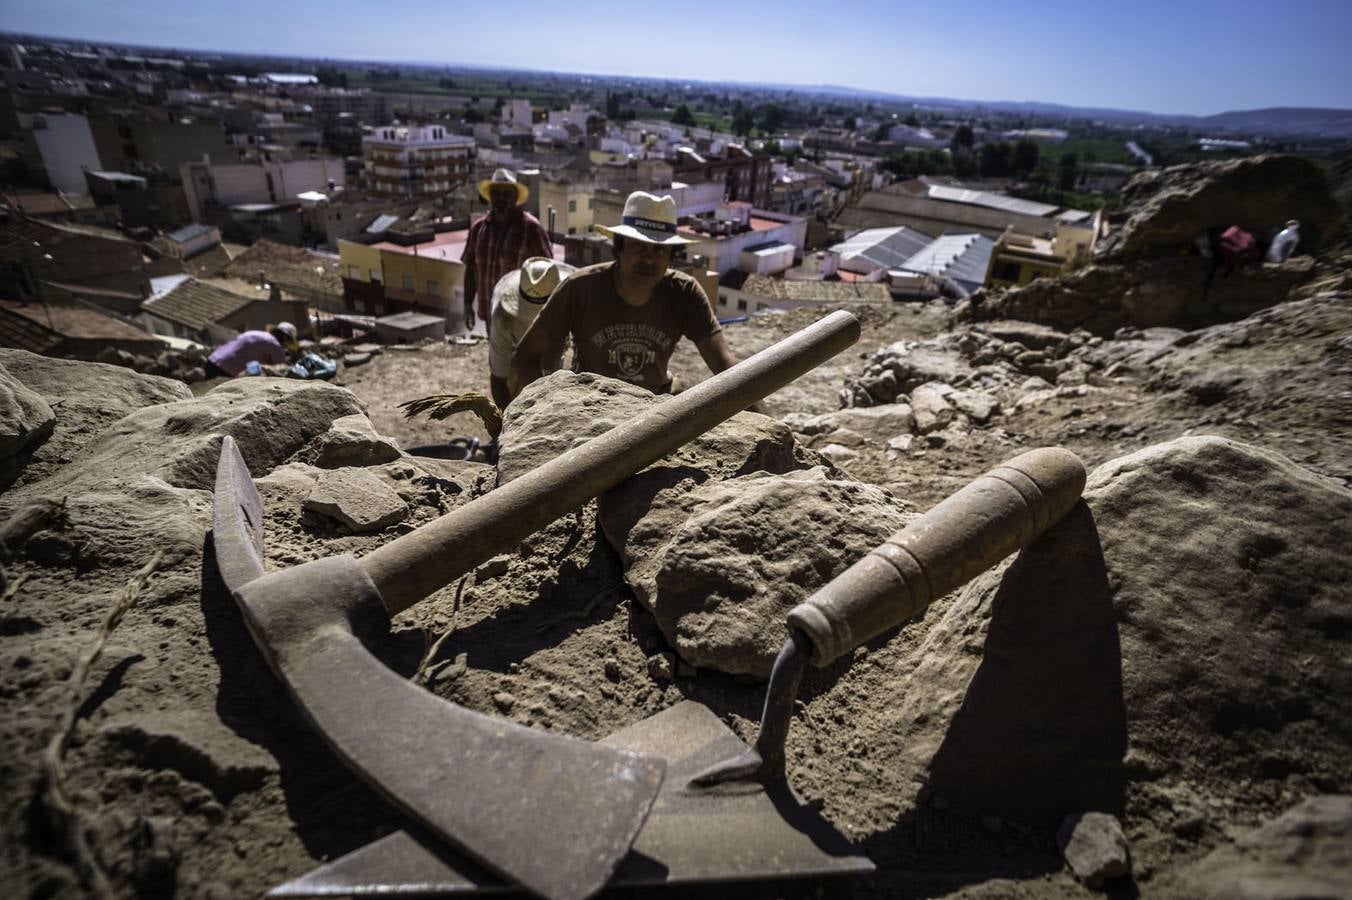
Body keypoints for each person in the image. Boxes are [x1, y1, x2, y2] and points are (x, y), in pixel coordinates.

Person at [511, 190, 766, 413]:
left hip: (653, 408)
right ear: (619, 247)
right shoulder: (580, 289)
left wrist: (771, 428)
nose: (649, 260)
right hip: (588, 406)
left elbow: (724, 363)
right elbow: (525, 358)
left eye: (659, 250)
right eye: (638, 246)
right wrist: (551, 410)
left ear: (670, 257)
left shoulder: (685, 294)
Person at [461, 168, 552, 337]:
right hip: (490, 314)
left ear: (516, 198)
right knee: (496, 362)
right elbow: (471, 269)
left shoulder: (531, 229)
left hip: (521, 318)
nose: (501, 198)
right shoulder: (478, 229)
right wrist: (467, 305)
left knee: (519, 362)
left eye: (506, 194)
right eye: (496, 193)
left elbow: (550, 275)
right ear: (490, 197)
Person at [487, 256, 575, 409]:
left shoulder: (570, 296)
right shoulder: (504, 317)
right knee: (517, 393)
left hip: (553, 351)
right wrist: (508, 425)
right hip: (515, 348)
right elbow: (498, 378)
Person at [206, 322, 299, 377]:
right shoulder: (276, 346)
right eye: (289, 342)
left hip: (212, 360)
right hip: (226, 370)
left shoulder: (255, 333)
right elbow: (281, 370)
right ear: (286, 338)